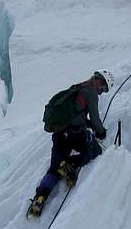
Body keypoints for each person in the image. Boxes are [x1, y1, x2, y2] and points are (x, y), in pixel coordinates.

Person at [29, 69, 114, 218]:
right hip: (75, 134)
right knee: (93, 152)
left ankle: (40, 197)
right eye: (104, 88)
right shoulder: (91, 92)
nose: (102, 92)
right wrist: (101, 132)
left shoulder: (77, 87)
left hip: (59, 134)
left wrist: (85, 121)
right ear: (100, 81)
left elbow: (75, 112)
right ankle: (70, 164)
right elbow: (95, 117)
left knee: (54, 168)